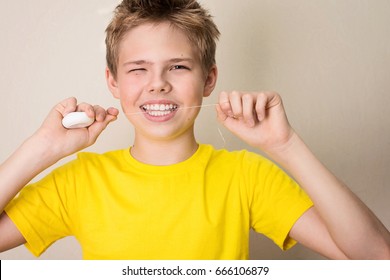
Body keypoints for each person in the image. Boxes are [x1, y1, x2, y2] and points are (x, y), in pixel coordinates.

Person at [0, 0, 389, 260]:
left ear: (209, 79)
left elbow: (376, 258)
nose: (158, 84)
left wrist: (286, 145)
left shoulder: (246, 176)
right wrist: (42, 148)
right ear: (113, 82)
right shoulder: (79, 181)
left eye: (179, 67)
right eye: (138, 69)